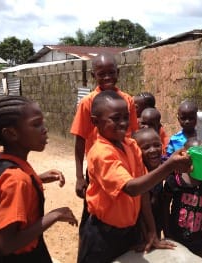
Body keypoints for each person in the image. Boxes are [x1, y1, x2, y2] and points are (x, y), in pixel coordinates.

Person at [77, 90, 192, 263]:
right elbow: (132, 188)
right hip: (102, 236)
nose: (123, 123)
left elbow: (142, 192)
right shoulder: (101, 153)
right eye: (115, 118)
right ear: (95, 121)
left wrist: (152, 231)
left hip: (130, 232)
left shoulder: (130, 145)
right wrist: (170, 165)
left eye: (126, 117)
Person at [0, 95, 78, 261]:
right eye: (36, 124)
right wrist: (54, 215)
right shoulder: (16, 180)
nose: (44, 129)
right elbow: (5, 244)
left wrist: (37, 178)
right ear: (11, 134)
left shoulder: (3, 162)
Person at [70, 53, 138, 234]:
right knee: (95, 210)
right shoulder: (87, 103)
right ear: (93, 76)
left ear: (119, 72)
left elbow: (133, 134)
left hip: (124, 164)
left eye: (111, 72)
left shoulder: (127, 100)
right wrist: (79, 176)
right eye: (101, 74)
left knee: (125, 205)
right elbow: (80, 139)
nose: (107, 77)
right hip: (99, 166)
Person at [162, 138, 202, 259]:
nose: (198, 161)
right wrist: (168, 234)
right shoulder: (175, 179)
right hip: (177, 237)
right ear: (184, 156)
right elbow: (164, 208)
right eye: (195, 157)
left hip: (201, 239)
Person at [132, 128, 165, 238]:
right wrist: (148, 234)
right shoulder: (138, 176)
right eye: (146, 147)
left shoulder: (159, 172)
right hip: (140, 233)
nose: (153, 150)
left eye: (157, 145)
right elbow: (142, 209)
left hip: (155, 227)